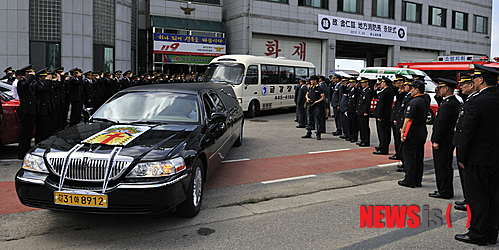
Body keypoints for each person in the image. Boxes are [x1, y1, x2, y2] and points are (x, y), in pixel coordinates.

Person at [455, 64, 499, 246]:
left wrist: (462, 157)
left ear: (481, 80)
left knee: (477, 197)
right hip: (496, 157)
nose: (473, 82)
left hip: (477, 157)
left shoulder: (475, 101)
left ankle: (477, 233)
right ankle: (491, 232)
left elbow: (467, 133)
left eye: (474, 79)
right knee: (494, 196)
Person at [429, 78, 461, 199]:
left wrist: (436, 140)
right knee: (445, 165)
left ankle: (444, 191)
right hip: (448, 139)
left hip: (443, 140)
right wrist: (438, 95)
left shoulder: (448, 104)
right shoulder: (452, 101)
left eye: (441, 88)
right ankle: (444, 189)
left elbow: (442, 124)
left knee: (442, 166)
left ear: (446, 88)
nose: (439, 90)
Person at [452, 74, 477, 211]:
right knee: (464, 176)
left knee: (468, 176)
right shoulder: (467, 99)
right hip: (460, 141)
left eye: (463, 85)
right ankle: (468, 199)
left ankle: (470, 201)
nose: (460, 87)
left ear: (471, 85)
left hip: (466, 143)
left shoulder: (474, 100)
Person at [398, 80, 429, 188]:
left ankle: (409, 180)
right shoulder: (424, 99)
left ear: (417, 89)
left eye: (412, 88)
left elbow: (408, 119)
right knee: (418, 157)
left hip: (413, 131)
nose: (410, 90)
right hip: (422, 130)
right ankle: (417, 180)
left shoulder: (414, 102)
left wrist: (403, 133)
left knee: (409, 157)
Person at [16, 65, 37, 159]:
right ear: (26, 73)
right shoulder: (21, 82)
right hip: (26, 110)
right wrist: (31, 77)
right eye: (30, 72)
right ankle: (22, 153)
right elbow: (24, 86)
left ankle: (26, 151)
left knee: (29, 133)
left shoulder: (28, 82)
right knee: (25, 133)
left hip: (31, 110)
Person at [373, 77, 394, 155]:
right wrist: (375, 91)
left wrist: (379, 116)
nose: (380, 85)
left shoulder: (385, 92)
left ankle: (383, 149)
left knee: (383, 133)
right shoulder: (386, 91)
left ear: (384, 83)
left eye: (381, 83)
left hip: (383, 115)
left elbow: (382, 105)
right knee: (383, 132)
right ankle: (382, 146)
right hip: (385, 115)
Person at [302, 75, 325, 140]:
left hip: (317, 106)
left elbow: (323, 98)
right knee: (309, 120)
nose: (310, 82)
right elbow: (307, 94)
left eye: (312, 80)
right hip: (310, 105)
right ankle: (308, 133)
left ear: (315, 81)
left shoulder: (320, 88)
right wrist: (307, 98)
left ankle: (318, 134)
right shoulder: (310, 88)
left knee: (317, 120)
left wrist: (315, 102)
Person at [32, 68, 52, 143]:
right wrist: (47, 81)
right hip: (40, 109)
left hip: (46, 109)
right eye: (43, 76)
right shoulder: (36, 84)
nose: (45, 78)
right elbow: (44, 89)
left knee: (46, 128)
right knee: (41, 128)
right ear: (39, 77)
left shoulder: (44, 84)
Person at [389, 74, 405, 160]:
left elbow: (401, 108)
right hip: (395, 117)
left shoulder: (404, 94)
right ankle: (398, 153)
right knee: (396, 138)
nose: (398, 84)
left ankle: (399, 154)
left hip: (399, 119)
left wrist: (396, 118)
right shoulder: (397, 91)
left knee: (399, 139)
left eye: (399, 82)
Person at [356, 77, 372, 146]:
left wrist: (365, 111)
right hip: (360, 111)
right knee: (361, 126)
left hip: (364, 112)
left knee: (364, 127)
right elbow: (359, 101)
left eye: (363, 83)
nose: (362, 84)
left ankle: (366, 141)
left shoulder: (368, 91)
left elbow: (367, 102)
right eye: (361, 83)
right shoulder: (363, 90)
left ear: (367, 83)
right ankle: (362, 139)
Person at [346, 77, 359, 142]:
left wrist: (356, 88)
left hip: (354, 109)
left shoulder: (357, 90)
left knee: (354, 124)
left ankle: (354, 136)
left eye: (352, 82)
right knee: (350, 123)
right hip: (349, 109)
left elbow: (357, 99)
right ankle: (350, 135)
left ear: (355, 83)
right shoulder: (350, 89)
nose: (350, 83)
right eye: (350, 82)